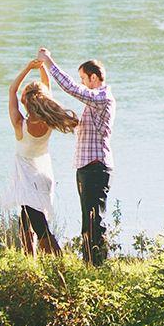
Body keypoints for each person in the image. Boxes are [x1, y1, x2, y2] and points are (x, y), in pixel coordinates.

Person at [37, 47, 116, 266]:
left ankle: (97, 265)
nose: (81, 83)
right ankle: (89, 263)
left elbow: (71, 88)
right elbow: (86, 128)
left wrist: (48, 62)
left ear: (94, 77)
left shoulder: (102, 97)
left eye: (84, 78)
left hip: (96, 167)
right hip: (86, 167)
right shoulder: (93, 103)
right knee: (87, 219)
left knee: (94, 220)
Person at [5, 59, 79, 256]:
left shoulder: (19, 123)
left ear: (25, 102)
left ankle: (59, 262)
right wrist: (43, 68)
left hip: (27, 180)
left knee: (40, 228)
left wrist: (28, 68)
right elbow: (46, 90)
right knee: (25, 221)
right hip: (43, 176)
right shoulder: (49, 121)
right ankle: (29, 262)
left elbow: (12, 90)